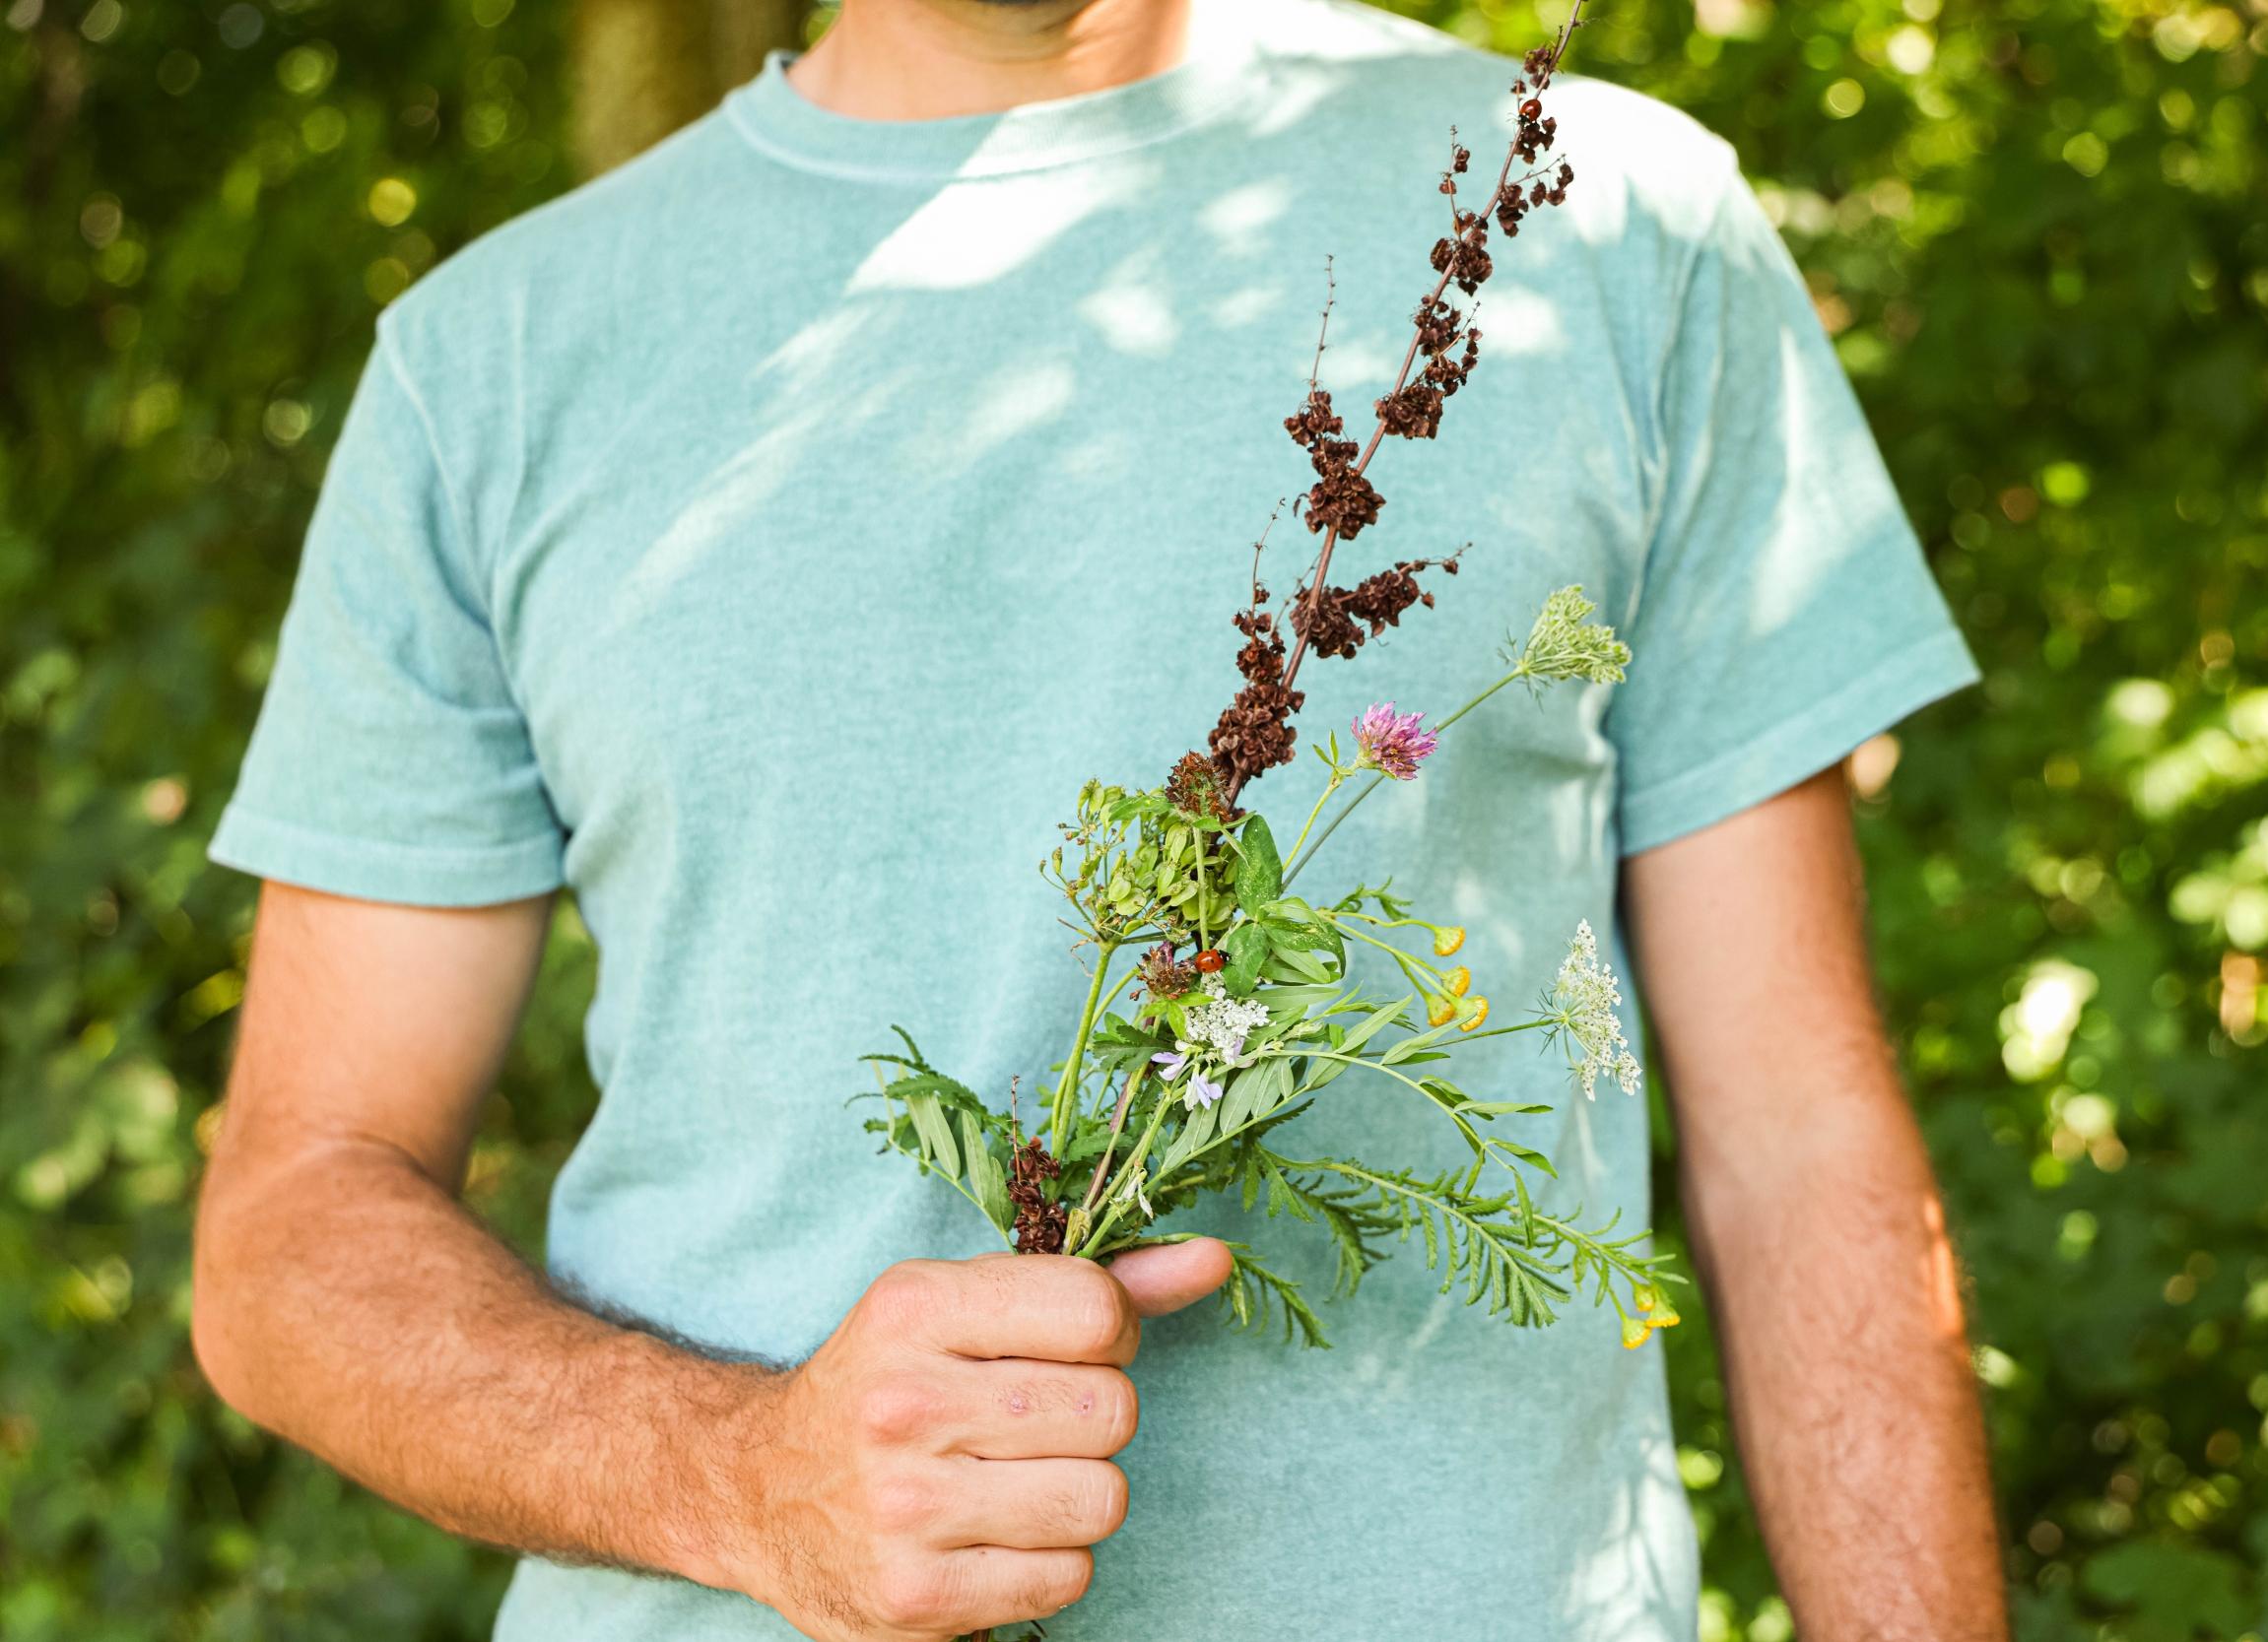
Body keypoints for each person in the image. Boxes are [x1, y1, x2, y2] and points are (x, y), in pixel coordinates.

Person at [191, 0, 2010, 1636]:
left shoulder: (1613, 225)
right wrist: (739, 1477)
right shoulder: (496, 361)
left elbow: (1801, 1144)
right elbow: (292, 1220)